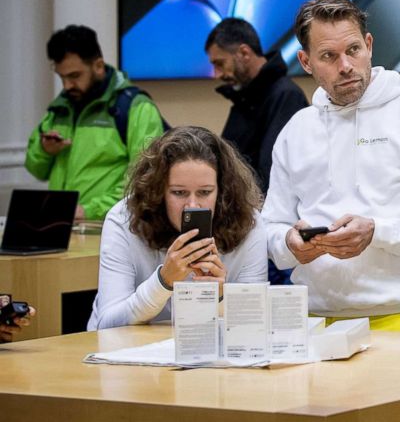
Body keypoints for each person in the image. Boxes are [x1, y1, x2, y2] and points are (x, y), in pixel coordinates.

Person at [263, 0, 400, 333]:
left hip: (395, 318)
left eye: (353, 50)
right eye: (329, 56)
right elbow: (271, 227)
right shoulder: (297, 130)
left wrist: (377, 231)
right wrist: (289, 244)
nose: (345, 66)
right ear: (305, 62)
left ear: (369, 45)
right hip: (311, 323)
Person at [87, 126, 268, 330]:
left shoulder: (249, 222)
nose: (192, 205)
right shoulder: (123, 219)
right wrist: (163, 282)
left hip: (210, 351)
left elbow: (253, 323)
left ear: (222, 191)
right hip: (129, 351)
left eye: (204, 192)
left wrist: (219, 297)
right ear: (158, 191)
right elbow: (107, 324)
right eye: (179, 193)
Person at [25, 25, 165, 221]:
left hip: (110, 228)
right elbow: (35, 169)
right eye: (61, 77)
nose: (66, 86)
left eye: (74, 76)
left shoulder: (135, 107)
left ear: (98, 66)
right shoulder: (59, 110)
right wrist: (45, 151)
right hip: (60, 228)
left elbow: (145, 179)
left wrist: (88, 211)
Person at [205, 18, 308, 192]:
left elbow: (272, 174)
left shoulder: (286, 96)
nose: (216, 74)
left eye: (220, 63)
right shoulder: (245, 97)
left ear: (244, 53)